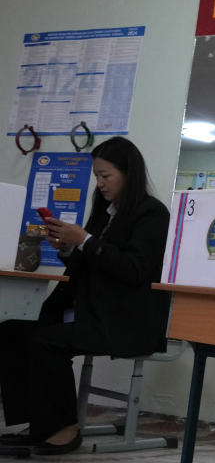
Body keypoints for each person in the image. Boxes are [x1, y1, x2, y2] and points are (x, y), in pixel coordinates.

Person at [0, 137, 170, 455]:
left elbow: (134, 269)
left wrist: (86, 240)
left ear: (128, 174)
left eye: (106, 176)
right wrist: (68, 248)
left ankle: (65, 428)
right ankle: (38, 425)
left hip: (125, 319)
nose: (100, 183)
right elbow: (90, 267)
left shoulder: (152, 214)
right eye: (97, 176)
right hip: (93, 311)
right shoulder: (105, 213)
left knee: (46, 340)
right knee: (10, 331)